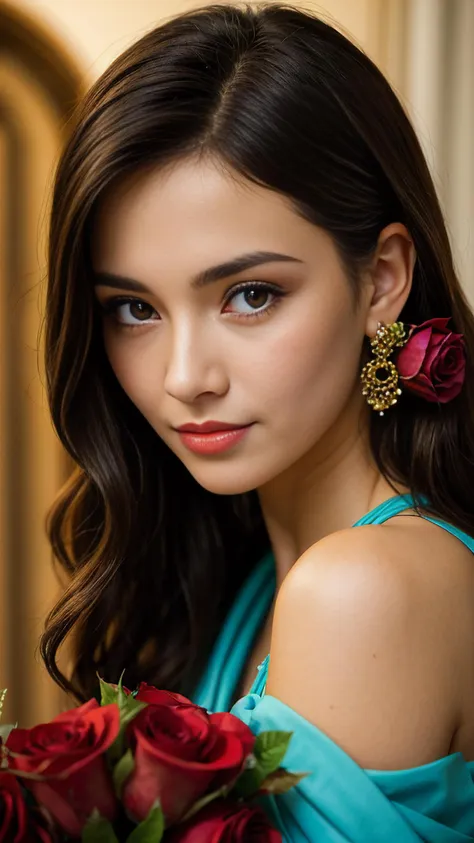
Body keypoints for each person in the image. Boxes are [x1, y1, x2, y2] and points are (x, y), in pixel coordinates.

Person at [40, 3, 474, 839]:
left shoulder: (362, 589)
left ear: (382, 279)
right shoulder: (247, 577)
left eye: (250, 296)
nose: (184, 377)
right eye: (133, 307)